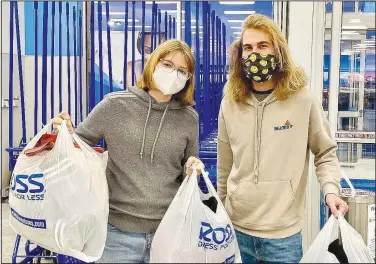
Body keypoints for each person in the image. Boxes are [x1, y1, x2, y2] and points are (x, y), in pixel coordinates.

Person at [52, 39, 203, 263]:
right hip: (116, 234)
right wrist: (64, 134)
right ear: (153, 64)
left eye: (183, 71)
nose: (174, 74)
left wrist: (193, 168)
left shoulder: (189, 118)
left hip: (168, 232)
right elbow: (78, 146)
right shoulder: (114, 106)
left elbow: (187, 168)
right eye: (168, 65)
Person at [217, 14, 349, 264]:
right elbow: (225, 165)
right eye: (248, 47)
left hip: (283, 237)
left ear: (278, 51)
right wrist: (221, 213)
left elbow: (325, 153)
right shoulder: (230, 103)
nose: (254, 53)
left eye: (262, 46)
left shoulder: (302, 100)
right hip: (236, 230)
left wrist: (331, 190)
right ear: (240, 55)